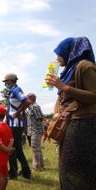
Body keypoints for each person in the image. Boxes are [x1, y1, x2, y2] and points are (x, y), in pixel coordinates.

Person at [46, 37, 96, 189]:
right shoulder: (68, 71)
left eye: (59, 53)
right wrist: (56, 115)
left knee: (79, 170)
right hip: (70, 124)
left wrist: (64, 87)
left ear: (70, 52)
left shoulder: (85, 66)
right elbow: (63, 99)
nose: (57, 58)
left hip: (83, 125)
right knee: (66, 169)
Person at [2, 73, 31, 179]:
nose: (5, 84)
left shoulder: (16, 90)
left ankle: (14, 173)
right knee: (17, 149)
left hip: (16, 125)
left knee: (13, 149)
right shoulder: (13, 91)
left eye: (6, 82)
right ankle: (24, 172)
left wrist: (19, 112)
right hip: (13, 124)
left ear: (10, 81)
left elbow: (27, 101)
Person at [26, 93, 45, 171]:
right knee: (37, 148)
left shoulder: (35, 107)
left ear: (31, 98)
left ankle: (36, 166)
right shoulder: (30, 107)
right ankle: (40, 164)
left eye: (27, 98)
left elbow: (40, 118)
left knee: (35, 148)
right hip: (34, 130)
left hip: (36, 130)